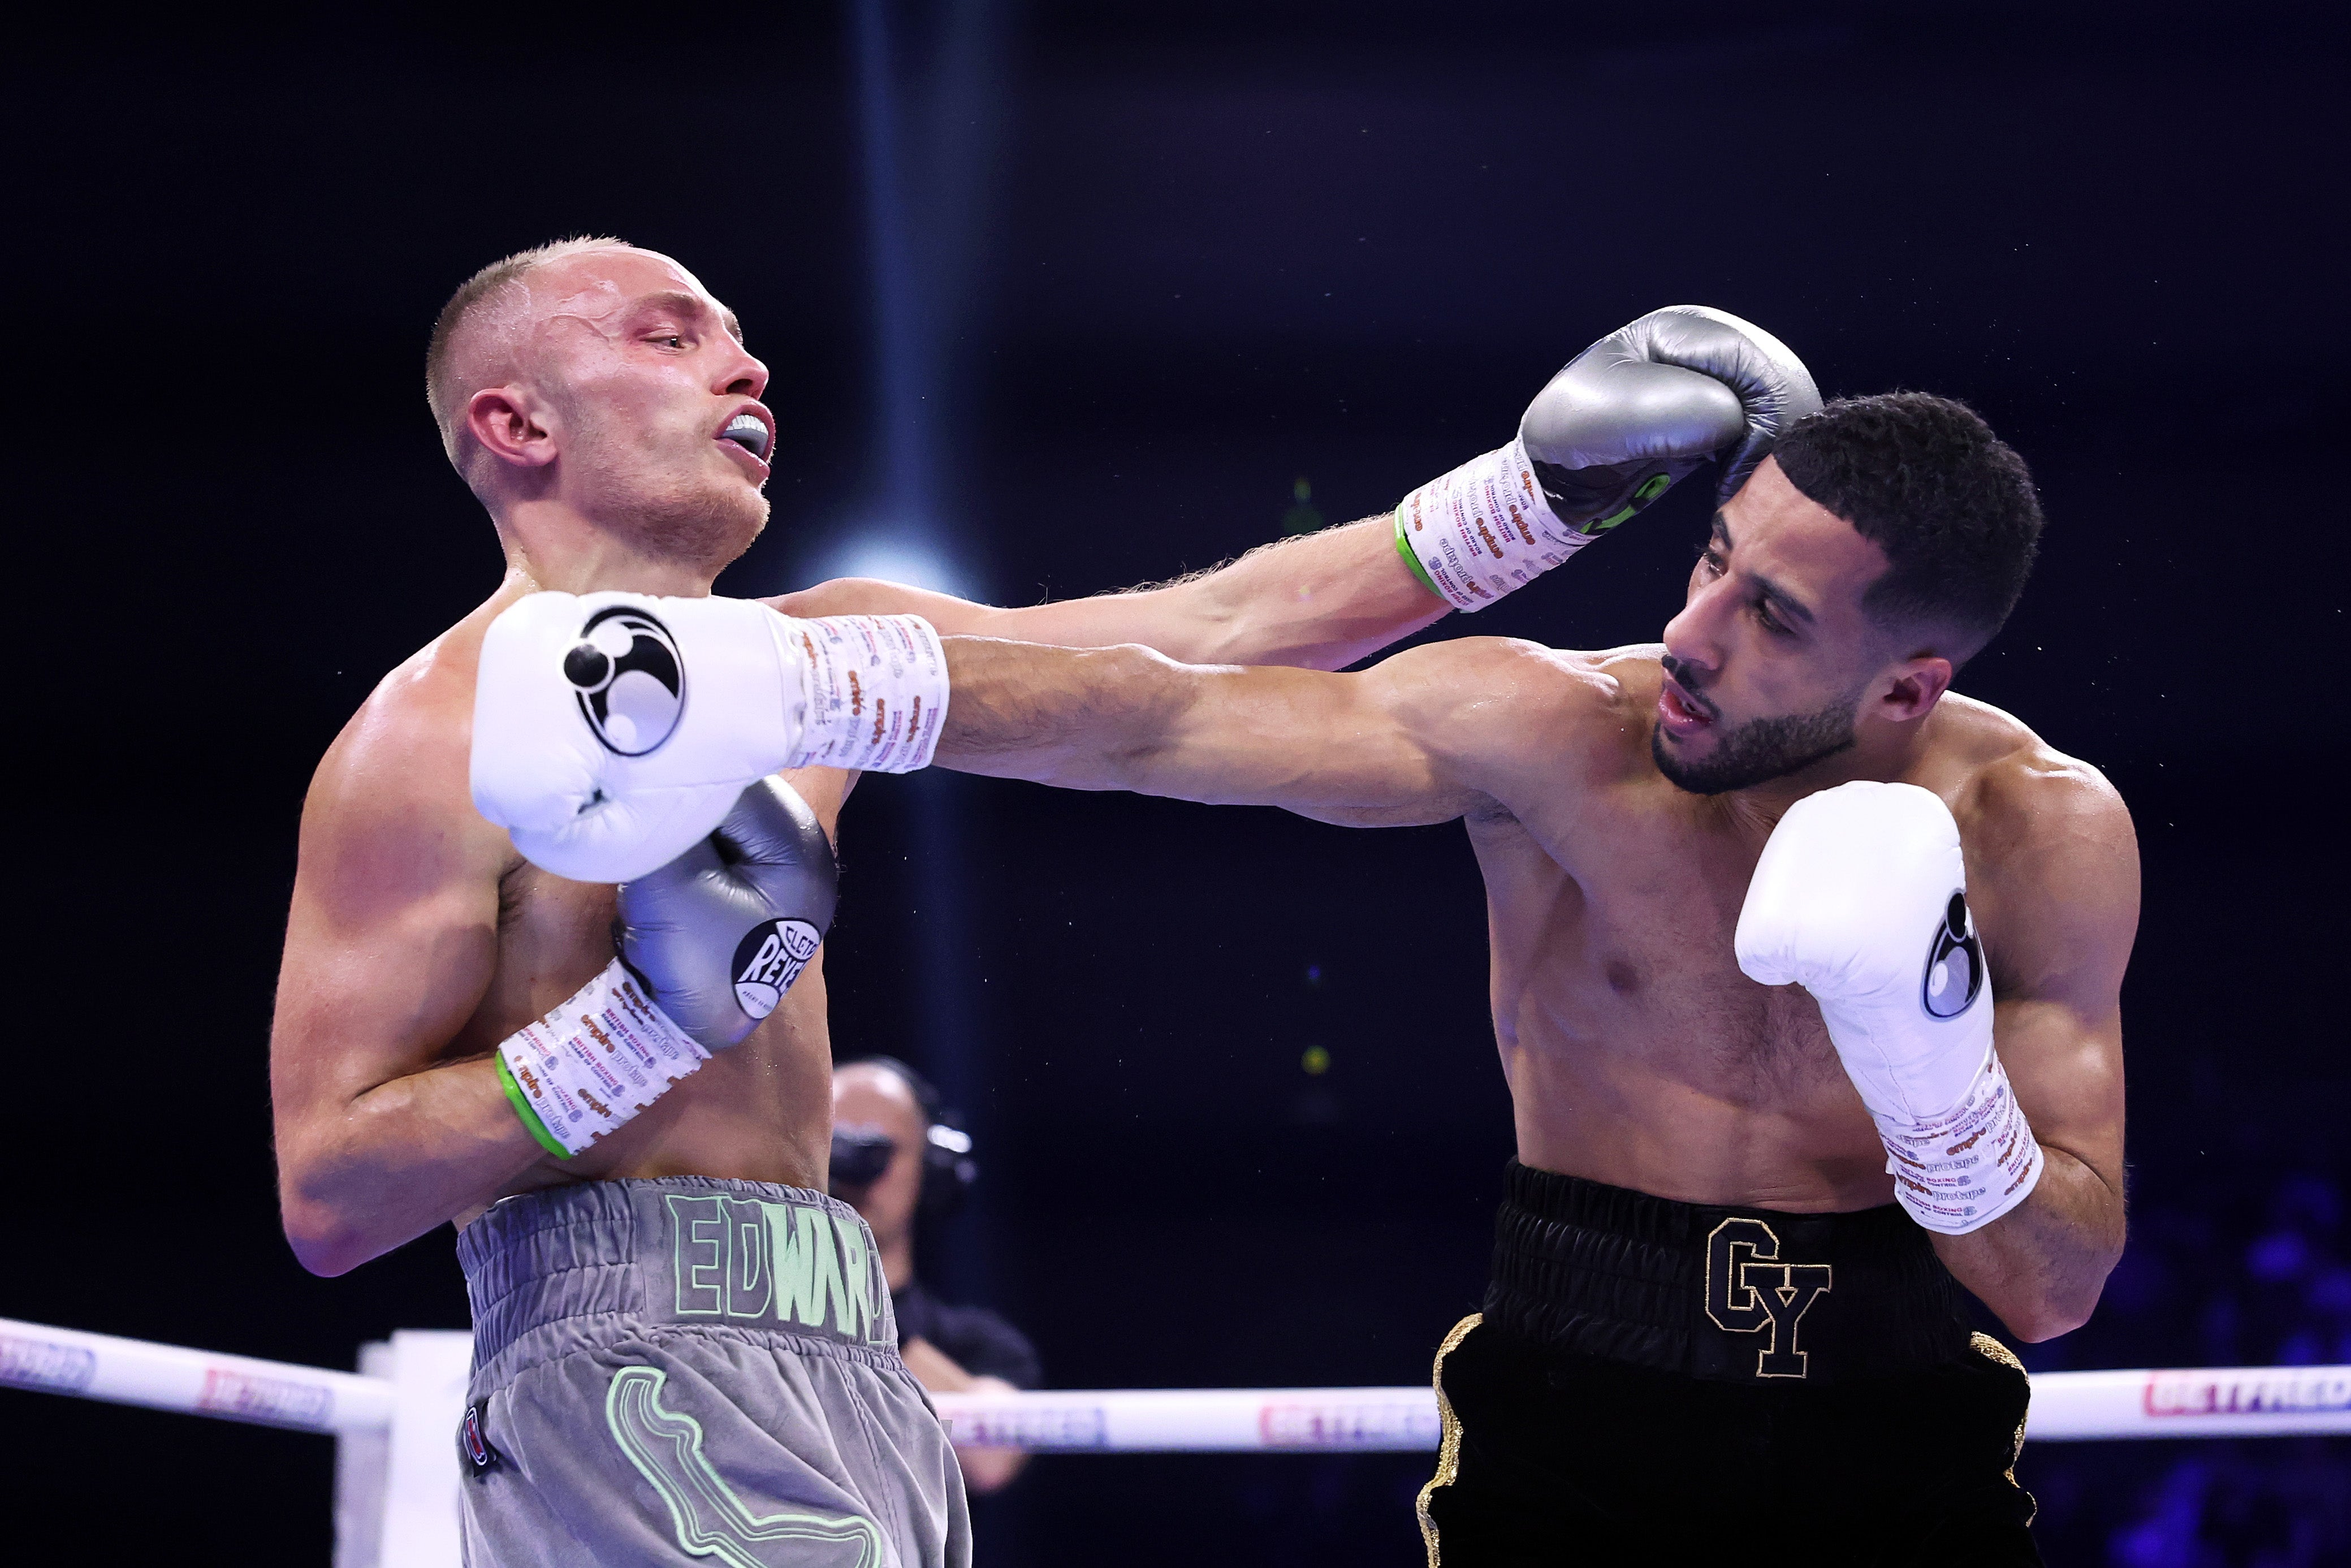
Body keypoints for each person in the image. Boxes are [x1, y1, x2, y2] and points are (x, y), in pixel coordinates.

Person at [275, 239, 1787, 1563]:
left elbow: (1195, 640)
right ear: (514, 419)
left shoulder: (812, 660)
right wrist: (642, 1024)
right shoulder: (429, 737)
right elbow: (329, 1191)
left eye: (735, 335)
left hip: (856, 1357)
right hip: (626, 1373)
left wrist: (1532, 501)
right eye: (668, 334)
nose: (742, 360)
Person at [475, 373, 2131, 1561]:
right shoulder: (1559, 735)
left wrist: (1927, 1060)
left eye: (1775, 619)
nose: (1696, 634)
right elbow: (1169, 713)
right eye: (1711, 563)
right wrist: (790, 688)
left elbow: (2052, 1284)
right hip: (1583, 1397)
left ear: (1908, 688)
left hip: (1898, 1409)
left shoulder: (2040, 833)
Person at [831, 1058, 1040, 1494]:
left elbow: (991, 1460)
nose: (852, 1169)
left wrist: (854, 1311)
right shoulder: (746, 1313)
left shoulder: (977, 1343)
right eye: (832, 1146)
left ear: (932, 1169)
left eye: (878, 1148)